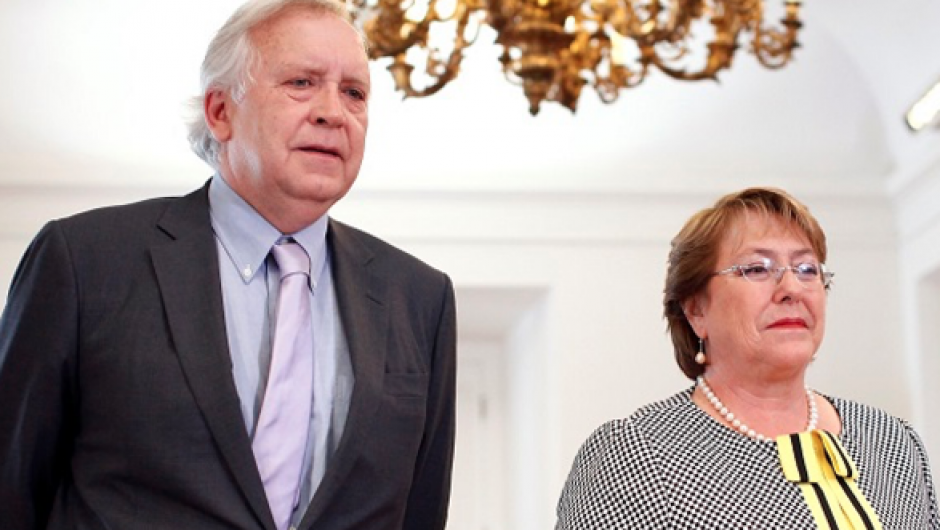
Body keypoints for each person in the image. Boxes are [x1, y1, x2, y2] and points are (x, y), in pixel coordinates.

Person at [0, 1, 457, 529]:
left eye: (354, 92)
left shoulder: (419, 298)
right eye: (302, 83)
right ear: (220, 112)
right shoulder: (84, 261)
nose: (333, 112)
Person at [555, 187, 939, 529]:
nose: (792, 288)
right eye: (757, 268)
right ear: (696, 310)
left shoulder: (892, 441)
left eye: (807, 269)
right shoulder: (635, 454)